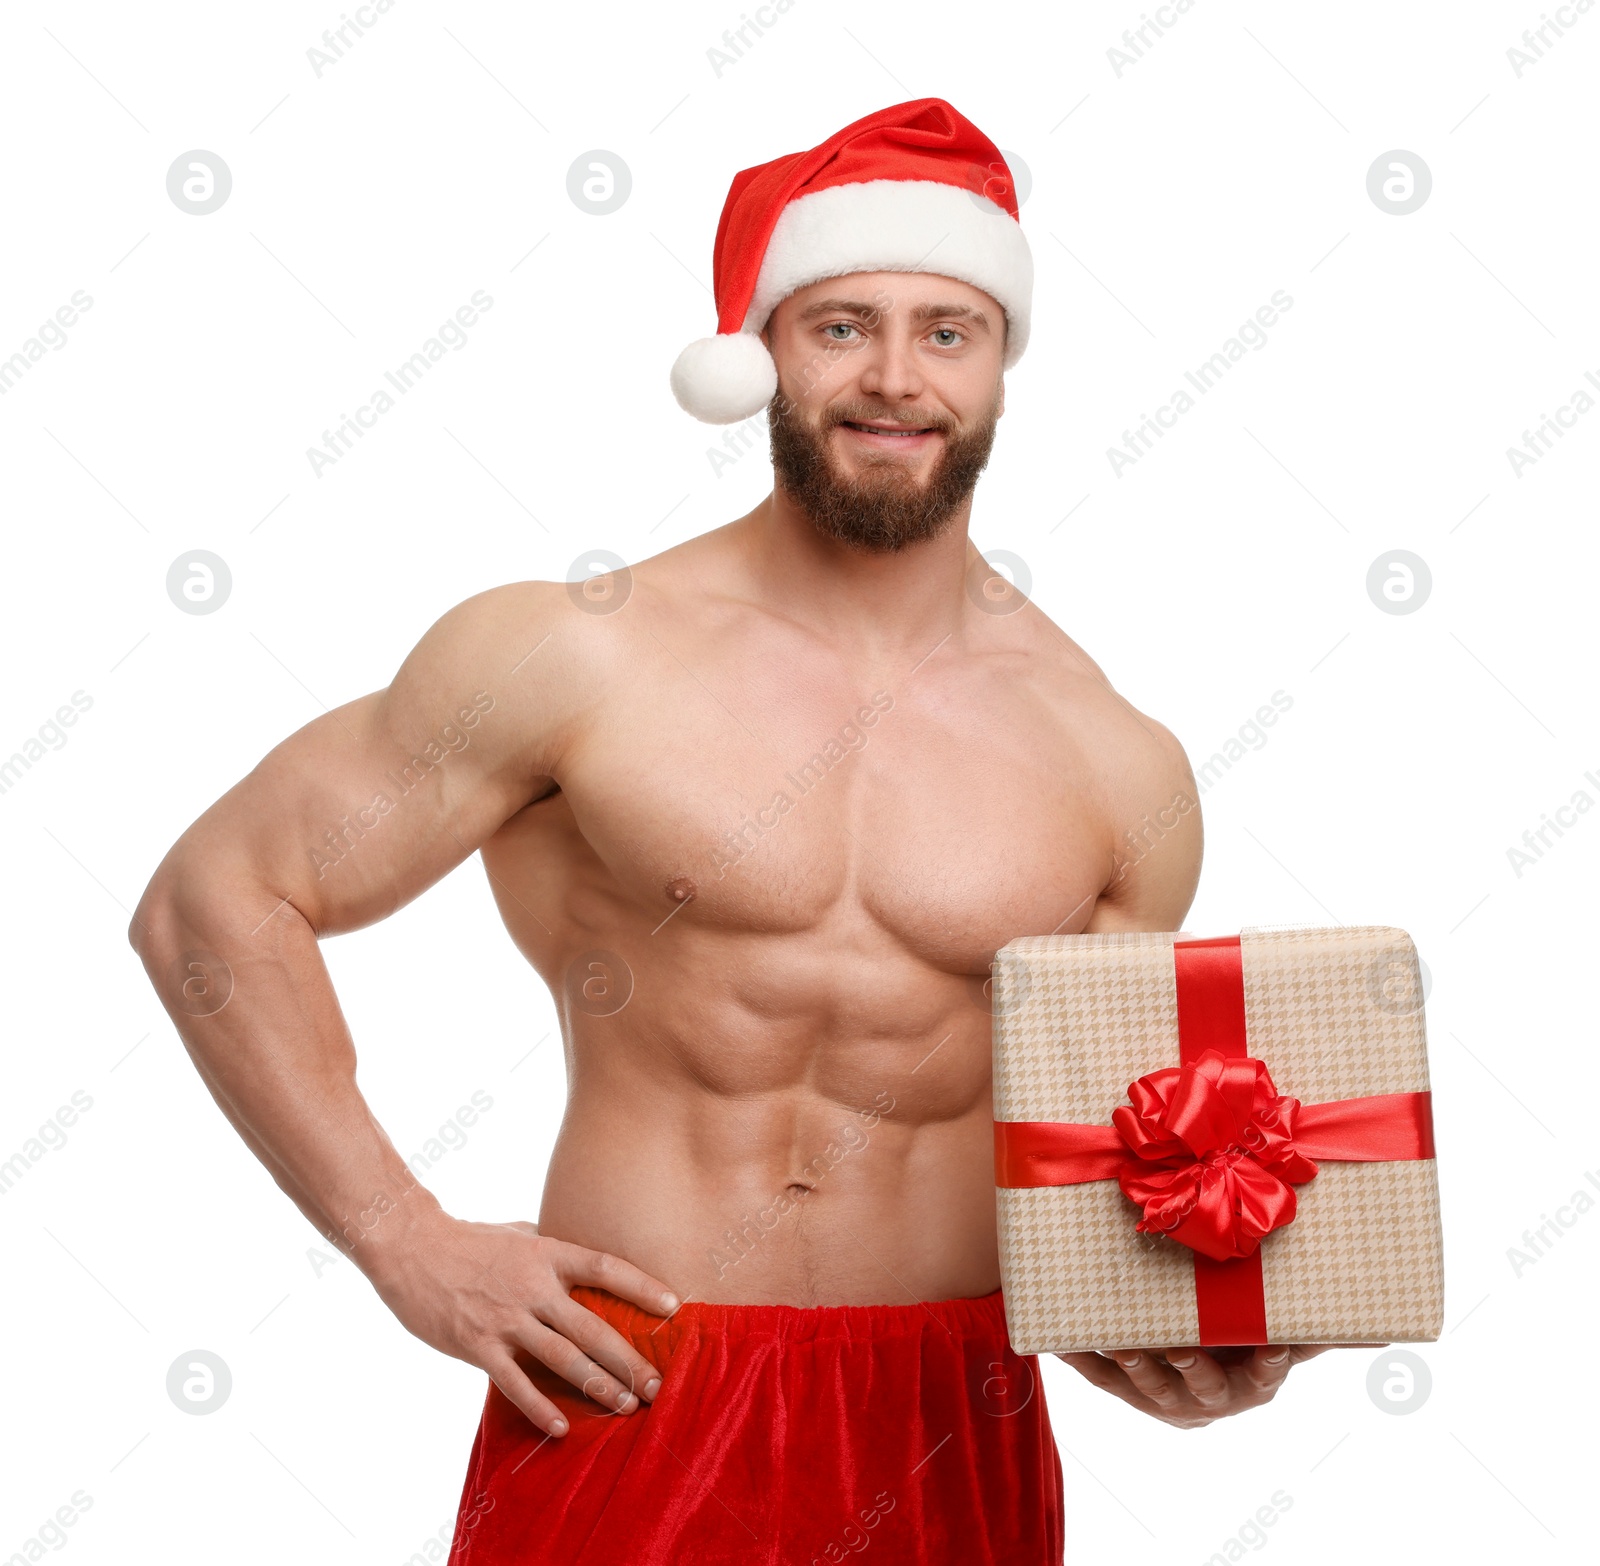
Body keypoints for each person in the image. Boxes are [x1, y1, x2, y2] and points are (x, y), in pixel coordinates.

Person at [130, 99, 1325, 1566]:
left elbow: (1096, 1169)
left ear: (1004, 362)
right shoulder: (575, 656)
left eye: (947, 330)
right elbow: (215, 901)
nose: (896, 377)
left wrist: (1180, 1348)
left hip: (956, 1418)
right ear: (760, 351)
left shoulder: (1114, 758)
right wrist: (403, 1238)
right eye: (841, 327)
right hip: (633, 1382)